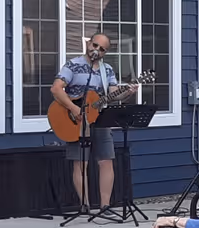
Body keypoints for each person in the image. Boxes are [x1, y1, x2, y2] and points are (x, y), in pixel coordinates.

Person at [51, 32, 138, 209]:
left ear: (105, 53)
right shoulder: (73, 65)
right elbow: (56, 89)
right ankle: (85, 206)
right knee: (80, 162)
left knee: (106, 160)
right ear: (89, 43)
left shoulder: (107, 70)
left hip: (100, 118)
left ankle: (105, 206)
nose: (96, 50)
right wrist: (73, 108)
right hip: (75, 121)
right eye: (95, 45)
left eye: (102, 49)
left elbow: (113, 95)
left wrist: (127, 92)